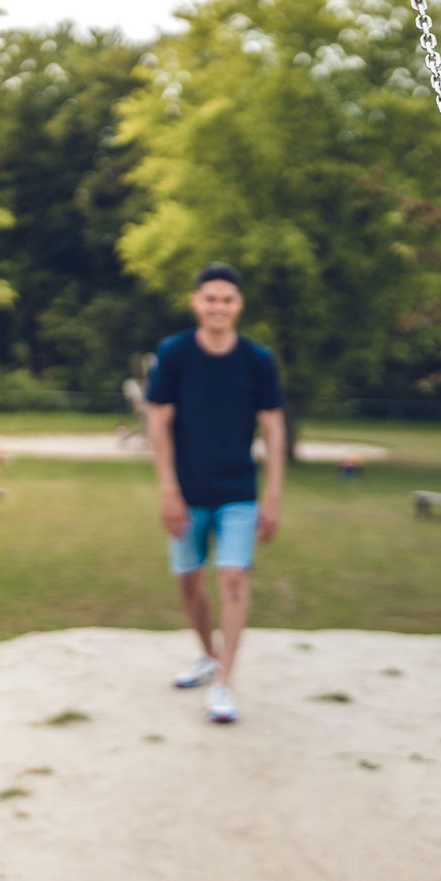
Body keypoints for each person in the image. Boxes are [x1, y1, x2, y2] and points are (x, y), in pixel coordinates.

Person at [146, 263, 285, 725]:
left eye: (227, 299)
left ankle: (224, 683)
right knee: (189, 581)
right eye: (210, 299)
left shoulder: (256, 360)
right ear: (196, 302)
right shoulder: (174, 354)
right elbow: (158, 422)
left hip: (238, 491)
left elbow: (273, 427)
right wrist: (167, 488)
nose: (218, 307)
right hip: (186, 491)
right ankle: (208, 656)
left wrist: (273, 495)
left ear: (238, 305)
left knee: (231, 579)